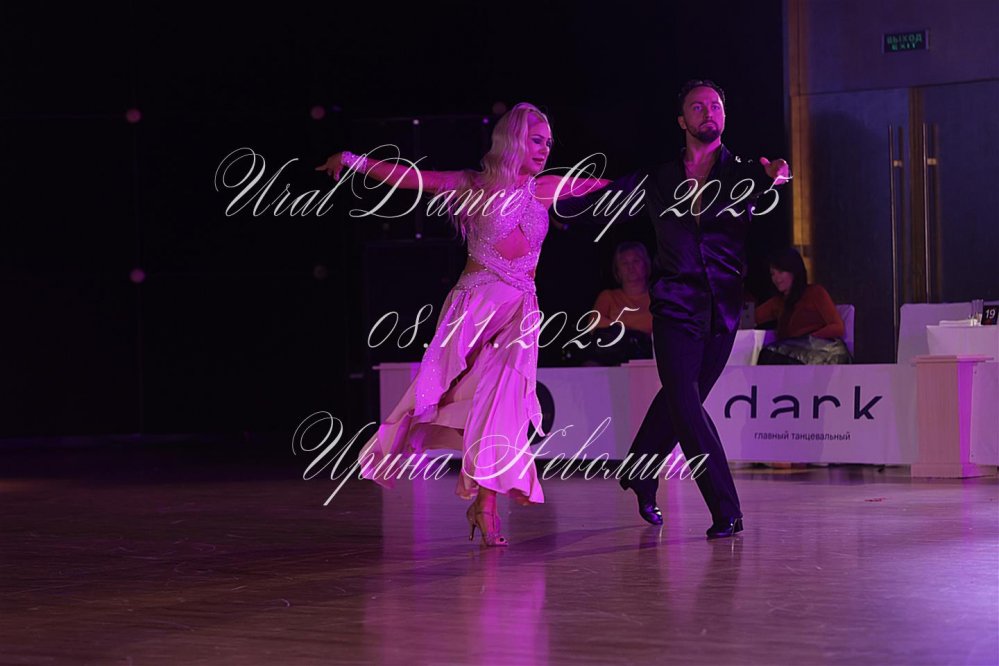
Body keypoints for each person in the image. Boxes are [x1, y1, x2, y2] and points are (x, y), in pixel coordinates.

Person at [316, 103, 609, 546]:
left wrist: (668, 178)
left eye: (549, 143)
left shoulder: (544, 189)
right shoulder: (472, 185)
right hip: (474, 309)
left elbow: (604, 185)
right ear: (512, 140)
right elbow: (410, 178)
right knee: (439, 393)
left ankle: (485, 506)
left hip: (520, 314)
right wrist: (352, 160)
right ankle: (413, 456)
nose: (545, 149)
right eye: (536, 140)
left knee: (504, 407)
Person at [556, 80, 790, 539]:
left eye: (716, 106)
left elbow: (773, 177)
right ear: (682, 120)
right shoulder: (658, 179)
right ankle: (726, 508)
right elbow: (603, 199)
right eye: (697, 107)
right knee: (684, 400)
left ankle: (639, 469)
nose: (709, 113)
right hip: (675, 307)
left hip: (722, 312)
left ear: (725, 115)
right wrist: (549, 204)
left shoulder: (745, 173)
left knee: (683, 403)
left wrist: (778, 171)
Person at [755, 247, 851, 365]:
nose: (776, 278)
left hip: (824, 352)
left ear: (794, 272)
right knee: (769, 355)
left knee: (771, 355)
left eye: (781, 272)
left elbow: (837, 327)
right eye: (773, 274)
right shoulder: (778, 302)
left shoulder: (815, 293)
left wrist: (808, 339)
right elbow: (752, 317)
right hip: (795, 354)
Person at [575, 242, 653, 365]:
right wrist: (631, 333)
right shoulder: (609, 296)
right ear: (618, 270)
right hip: (613, 359)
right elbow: (593, 323)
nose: (631, 268)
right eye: (624, 263)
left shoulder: (657, 297)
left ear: (646, 265)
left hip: (649, 358)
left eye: (636, 261)